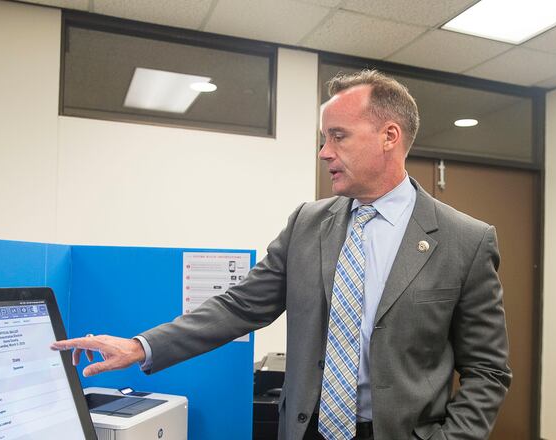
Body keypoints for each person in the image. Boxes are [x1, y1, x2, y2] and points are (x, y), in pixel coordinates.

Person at [52, 70, 511, 440]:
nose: (323, 152)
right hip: (307, 428)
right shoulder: (308, 224)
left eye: (338, 136)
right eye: (323, 138)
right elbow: (239, 306)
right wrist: (139, 346)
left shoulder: (464, 241)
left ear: (389, 136)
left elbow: (488, 370)